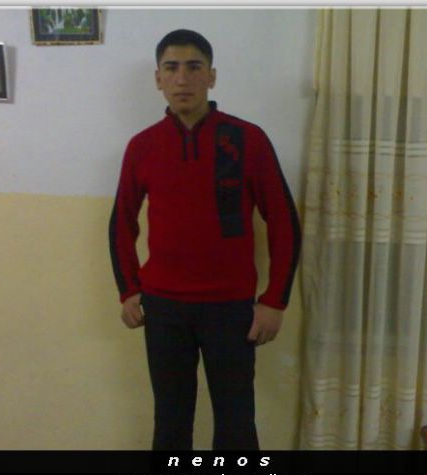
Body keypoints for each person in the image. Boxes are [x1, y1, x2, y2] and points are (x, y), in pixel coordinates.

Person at [109, 29, 301, 451]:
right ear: (158, 78)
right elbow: (121, 223)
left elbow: (284, 221)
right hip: (163, 309)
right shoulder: (142, 147)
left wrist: (274, 301)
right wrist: (128, 290)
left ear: (211, 76)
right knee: (171, 422)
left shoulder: (247, 139)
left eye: (194, 67)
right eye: (171, 68)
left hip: (230, 308)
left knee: (236, 423)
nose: (183, 79)